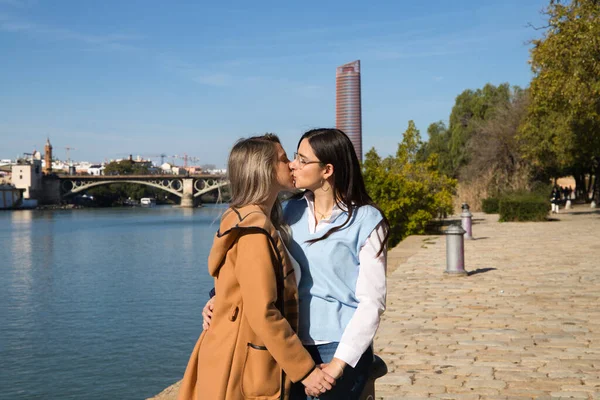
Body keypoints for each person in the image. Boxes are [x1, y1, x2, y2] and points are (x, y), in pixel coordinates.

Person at [204, 129, 390, 399]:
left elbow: (372, 303)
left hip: (336, 348)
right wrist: (217, 297)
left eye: (302, 160)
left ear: (327, 170)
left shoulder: (367, 221)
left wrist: (338, 364)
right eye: (293, 158)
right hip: (289, 348)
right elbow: (252, 267)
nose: (293, 164)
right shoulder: (288, 212)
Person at [178, 135, 335, 400]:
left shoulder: (243, 217)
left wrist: (218, 298)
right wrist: (307, 371)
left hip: (235, 351)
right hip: (243, 363)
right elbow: (263, 312)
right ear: (265, 170)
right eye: (285, 159)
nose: (293, 165)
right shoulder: (254, 233)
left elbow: (237, 285)